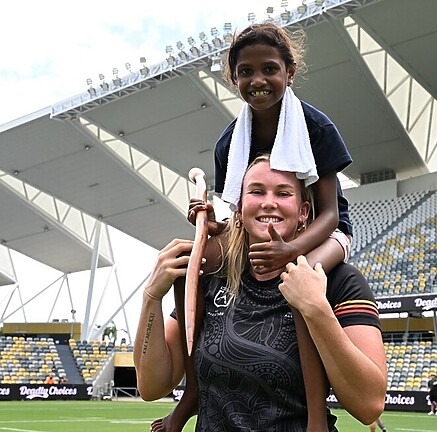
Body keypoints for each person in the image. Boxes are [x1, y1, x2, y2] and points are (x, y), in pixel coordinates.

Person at [153, 21, 355, 432]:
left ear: (289, 73)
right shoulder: (230, 142)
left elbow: (331, 213)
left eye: (269, 69)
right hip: (265, 232)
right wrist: (209, 222)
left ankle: (315, 413)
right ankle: (192, 392)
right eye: (245, 71)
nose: (257, 80)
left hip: (322, 230)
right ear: (233, 77)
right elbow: (243, 210)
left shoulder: (317, 128)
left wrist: (289, 252)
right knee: (192, 264)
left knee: (299, 283)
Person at [135, 155, 387, 431]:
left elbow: (368, 405)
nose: (269, 202)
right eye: (256, 191)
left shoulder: (340, 280)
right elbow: (151, 387)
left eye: (283, 193)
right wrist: (152, 297)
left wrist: (316, 308)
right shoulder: (213, 278)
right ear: (240, 209)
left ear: (303, 211)